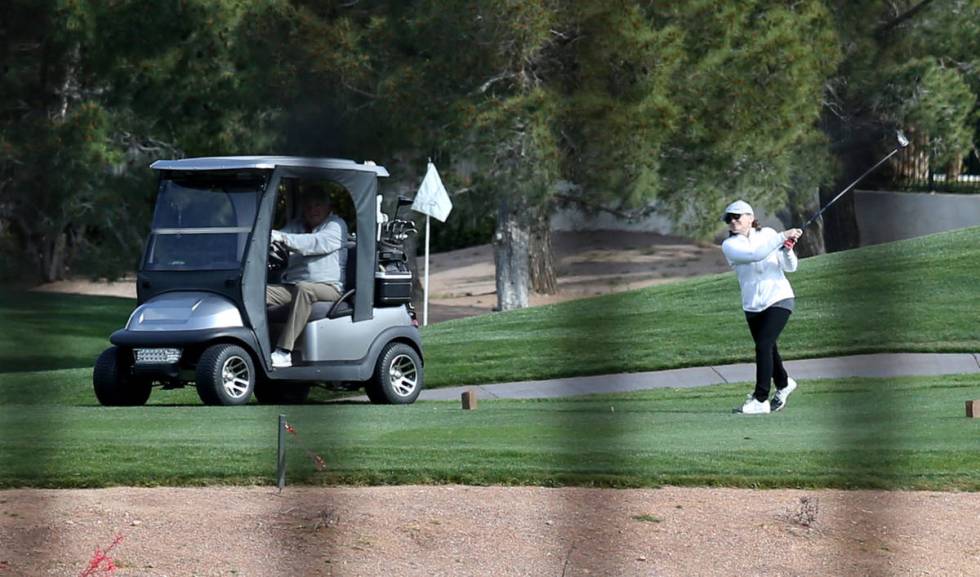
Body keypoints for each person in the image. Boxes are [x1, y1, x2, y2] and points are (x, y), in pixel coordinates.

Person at [721, 200, 803, 415]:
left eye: (737, 216)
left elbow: (790, 267)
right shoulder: (730, 245)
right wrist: (782, 236)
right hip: (752, 306)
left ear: (750, 217)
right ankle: (784, 384)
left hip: (779, 297)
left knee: (763, 346)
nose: (732, 221)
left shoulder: (768, 234)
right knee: (769, 348)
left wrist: (786, 250)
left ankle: (760, 399)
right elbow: (754, 255)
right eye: (729, 218)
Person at [266, 187, 348, 368]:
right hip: (292, 285)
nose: (313, 210)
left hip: (329, 288)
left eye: (318, 205)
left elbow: (313, 243)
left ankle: (284, 351)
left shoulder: (336, 226)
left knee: (304, 289)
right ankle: (256, 343)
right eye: (309, 206)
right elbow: (279, 237)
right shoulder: (297, 225)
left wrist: (282, 238)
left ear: (328, 208)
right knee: (257, 292)